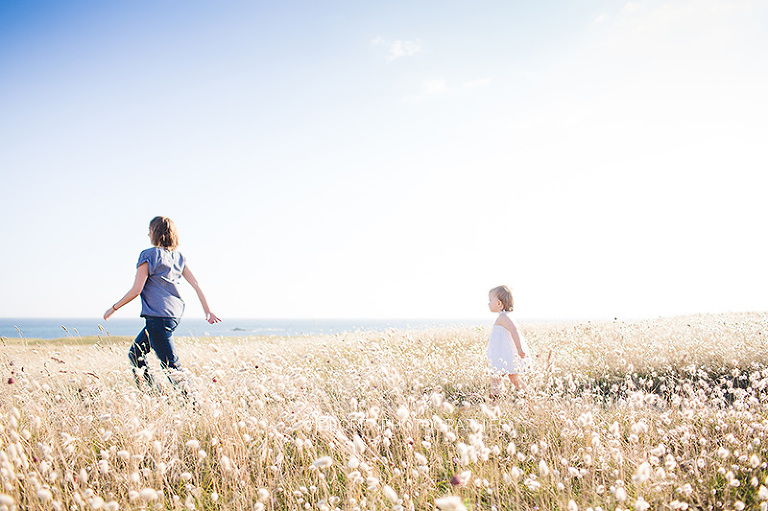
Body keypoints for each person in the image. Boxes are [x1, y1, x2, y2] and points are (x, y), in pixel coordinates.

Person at [103, 216, 220, 392]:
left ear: (155, 232)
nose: (148, 233)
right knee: (136, 354)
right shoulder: (179, 258)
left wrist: (113, 308)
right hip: (172, 316)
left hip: (158, 318)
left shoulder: (148, 255)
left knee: (172, 367)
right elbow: (196, 284)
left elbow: (136, 290)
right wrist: (208, 311)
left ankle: (194, 405)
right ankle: (153, 392)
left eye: (149, 230)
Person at [487, 285, 529, 398]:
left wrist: (519, 348)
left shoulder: (503, 317)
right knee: (513, 378)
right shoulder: (503, 317)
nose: (488, 303)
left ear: (499, 303)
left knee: (497, 378)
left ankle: (495, 404)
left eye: (490, 300)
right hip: (501, 353)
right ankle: (530, 397)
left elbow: (514, 330)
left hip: (502, 354)